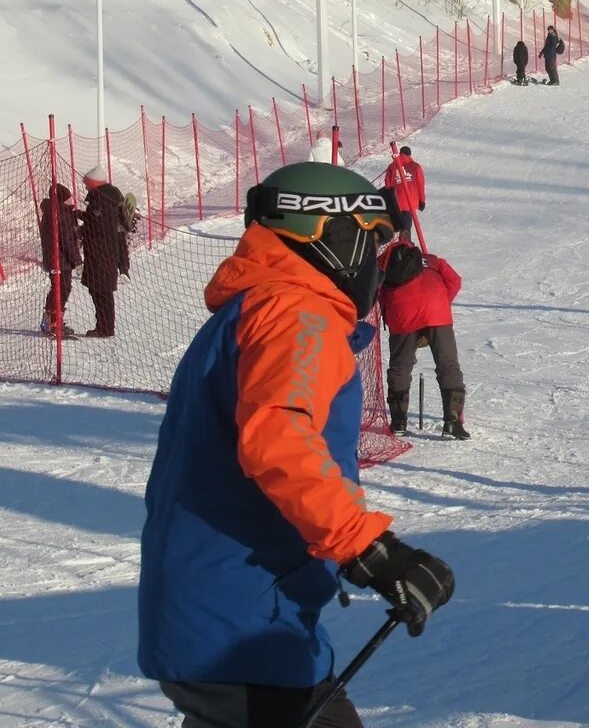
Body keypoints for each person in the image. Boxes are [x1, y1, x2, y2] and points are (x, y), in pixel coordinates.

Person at [138, 161, 455, 728]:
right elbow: (278, 439)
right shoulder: (294, 312)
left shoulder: (257, 309)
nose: (375, 267)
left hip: (230, 611)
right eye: (370, 243)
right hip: (242, 619)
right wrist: (372, 550)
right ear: (328, 233)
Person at [379, 241, 467, 438]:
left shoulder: (384, 263)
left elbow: (378, 292)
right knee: (448, 365)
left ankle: (399, 423)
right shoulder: (432, 260)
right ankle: (452, 423)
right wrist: (441, 304)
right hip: (437, 310)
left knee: (400, 367)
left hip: (401, 313)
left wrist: (391, 316)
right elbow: (454, 281)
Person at [79, 166, 129, 338]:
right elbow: (100, 222)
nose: (84, 185)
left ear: (94, 181)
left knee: (101, 292)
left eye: (86, 182)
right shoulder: (111, 196)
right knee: (100, 291)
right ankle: (104, 326)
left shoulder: (100, 199)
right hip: (106, 253)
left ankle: (105, 328)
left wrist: (80, 231)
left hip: (100, 254)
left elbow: (98, 226)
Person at [38, 182, 82, 336]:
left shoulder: (51, 211)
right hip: (60, 260)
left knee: (58, 288)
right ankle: (54, 323)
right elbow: (67, 240)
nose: (70, 201)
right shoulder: (60, 214)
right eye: (68, 199)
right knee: (62, 289)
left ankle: (50, 320)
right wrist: (77, 261)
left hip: (54, 259)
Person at [384, 145, 426, 234]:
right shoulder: (416, 166)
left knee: (396, 227)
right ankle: (405, 244)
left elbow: (387, 184)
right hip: (409, 202)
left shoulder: (392, 166)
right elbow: (420, 185)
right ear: (409, 155)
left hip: (395, 202)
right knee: (406, 228)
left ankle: (397, 242)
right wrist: (421, 201)